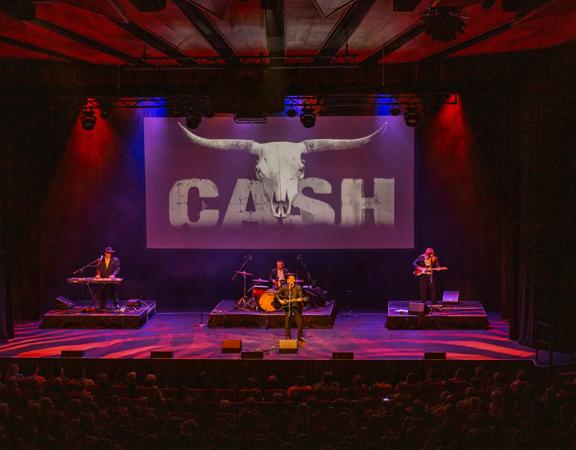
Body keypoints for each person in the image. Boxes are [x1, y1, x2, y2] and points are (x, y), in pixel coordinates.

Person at [276, 274, 306, 341]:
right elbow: (276, 293)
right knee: (287, 322)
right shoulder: (284, 286)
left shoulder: (298, 287)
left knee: (300, 322)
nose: (291, 280)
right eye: (290, 278)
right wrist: (279, 300)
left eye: (293, 278)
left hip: (296, 306)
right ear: (287, 280)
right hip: (287, 306)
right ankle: (287, 336)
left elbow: (300, 297)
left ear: (295, 280)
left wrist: (300, 299)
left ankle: (300, 336)